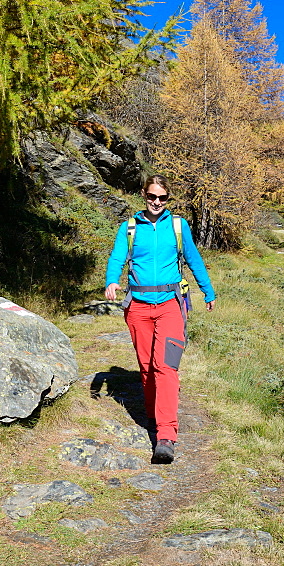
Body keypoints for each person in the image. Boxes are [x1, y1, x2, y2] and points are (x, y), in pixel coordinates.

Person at [105, 175, 215, 463]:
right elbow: (117, 257)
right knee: (146, 369)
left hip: (170, 304)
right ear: (144, 195)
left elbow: (193, 258)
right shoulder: (129, 227)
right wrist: (111, 281)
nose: (156, 202)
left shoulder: (178, 226)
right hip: (138, 307)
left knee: (165, 367)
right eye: (152, 196)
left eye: (162, 198)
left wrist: (208, 290)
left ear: (168, 199)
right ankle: (156, 417)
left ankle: (165, 435)